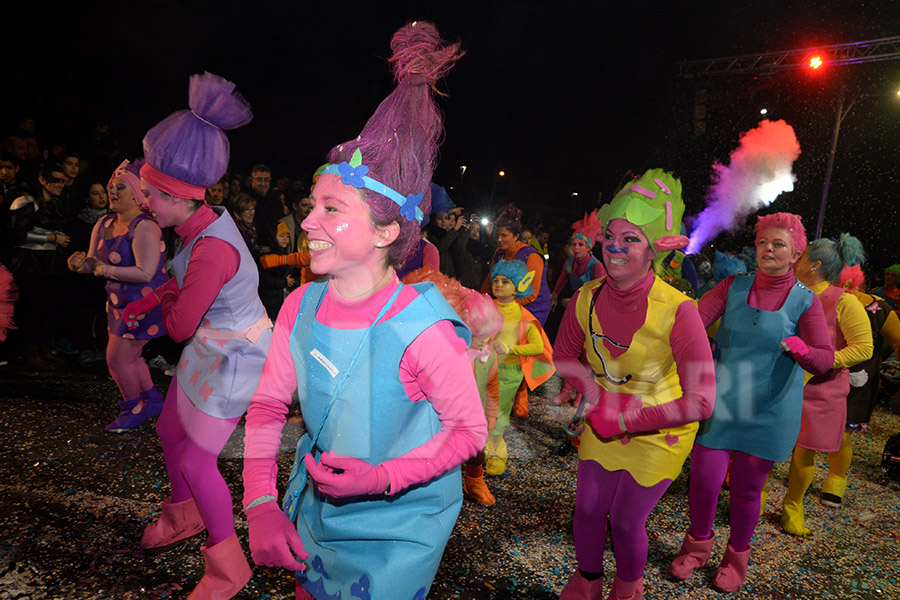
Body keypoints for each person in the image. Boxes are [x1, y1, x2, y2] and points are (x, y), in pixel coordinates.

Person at [242, 21, 486, 600]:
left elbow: (469, 430)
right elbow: (268, 404)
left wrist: (382, 477)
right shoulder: (302, 304)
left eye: (331, 208)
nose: (308, 222)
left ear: (387, 231)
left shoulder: (421, 328)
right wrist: (259, 504)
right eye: (311, 205)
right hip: (317, 508)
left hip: (399, 530)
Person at [122, 72, 266, 598]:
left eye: (154, 196)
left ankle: (229, 568)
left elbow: (180, 324)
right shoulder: (198, 224)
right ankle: (183, 517)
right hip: (211, 345)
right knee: (169, 433)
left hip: (235, 356)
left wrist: (157, 299)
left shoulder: (211, 247)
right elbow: (183, 285)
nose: (146, 204)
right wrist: (152, 295)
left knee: (197, 458)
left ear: (181, 199)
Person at [555, 170, 716, 600]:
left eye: (631, 239)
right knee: (588, 510)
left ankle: (629, 588)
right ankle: (587, 580)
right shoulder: (585, 298)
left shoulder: (680, 311)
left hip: (661, 429)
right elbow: (564, 359)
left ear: (654, 249)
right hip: (604, 421)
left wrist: (627, 419)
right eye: (611, 236)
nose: (615, 247)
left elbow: (702, 400)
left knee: (626, 520)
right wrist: (594, 398)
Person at [670, 212, 835, 593]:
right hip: (725, 403)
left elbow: (826, 358)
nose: (769, 250)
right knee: (705, 481)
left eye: (779, 245)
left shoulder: (804, 302)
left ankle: (736, 557)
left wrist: (805, 351)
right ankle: (696, 548)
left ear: (795, 254)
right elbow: (692, 319)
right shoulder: (732, 286)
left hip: (769, 411)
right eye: (763, 242)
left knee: (747, 490)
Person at [781, 233, 872, 536]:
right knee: (767, 446)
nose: (796, 260)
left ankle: (793, 506)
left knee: (805, 451)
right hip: (782, 381)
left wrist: (820, 360)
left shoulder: (844, 301)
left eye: (802, 256)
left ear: (815, 264)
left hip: (820, 388)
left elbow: (863, 348)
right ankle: (757, 501)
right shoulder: (788, 292)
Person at [67, 159, 168, 431]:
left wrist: (104, 269)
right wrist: (79, 264)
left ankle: (132, 408)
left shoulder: (145, 226)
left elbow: (146, 273)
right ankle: (151, 400)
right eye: (111, 187)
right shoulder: (104, 223)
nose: (112, 193)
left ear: (137, 193)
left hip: (143, 304)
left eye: (120, 188)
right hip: (118, 304)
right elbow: (92, 263)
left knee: (117, 360)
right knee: (129, 358)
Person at [817, 265, 900, 508]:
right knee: (805, 428)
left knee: (842, 432)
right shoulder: (815, 299)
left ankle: (836, 478)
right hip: (818, 372)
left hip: (858, 378)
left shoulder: (877, 308)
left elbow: (897, 340)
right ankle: (800, 475)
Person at [484, 258, 555, 476]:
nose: (498, 284)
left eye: (505, 281)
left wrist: (511, 349)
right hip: (483, 370)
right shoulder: (485, 307)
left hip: (508, 373)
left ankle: (496, 454)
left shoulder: (523, 316)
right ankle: (479, 451)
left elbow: (537, 346)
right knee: (480, 412)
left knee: (498, 415)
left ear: (518, 288)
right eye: (496, 280)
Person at [6, 164, 72, 368]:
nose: (61, 184)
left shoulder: (57, 203)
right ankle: (30, 352)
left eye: (63, 180)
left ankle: (44, 350)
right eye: (56, 180)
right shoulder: (27, 202)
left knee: (47, 307)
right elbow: (18, 235)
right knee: (30, 308)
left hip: (51, 263)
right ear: (43, 180)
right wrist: (52, 238)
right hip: (30, 263)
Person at [481, 204, 551, 325]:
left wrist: (502, 306)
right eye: (497, 235)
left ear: (516, 236)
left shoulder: (531, 257)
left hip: (533, 309)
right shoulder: (499, 252)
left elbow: (532, 295)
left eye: (504, 235)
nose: (499, 239)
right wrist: (480, 300)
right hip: (506, 305)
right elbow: (490, 280)